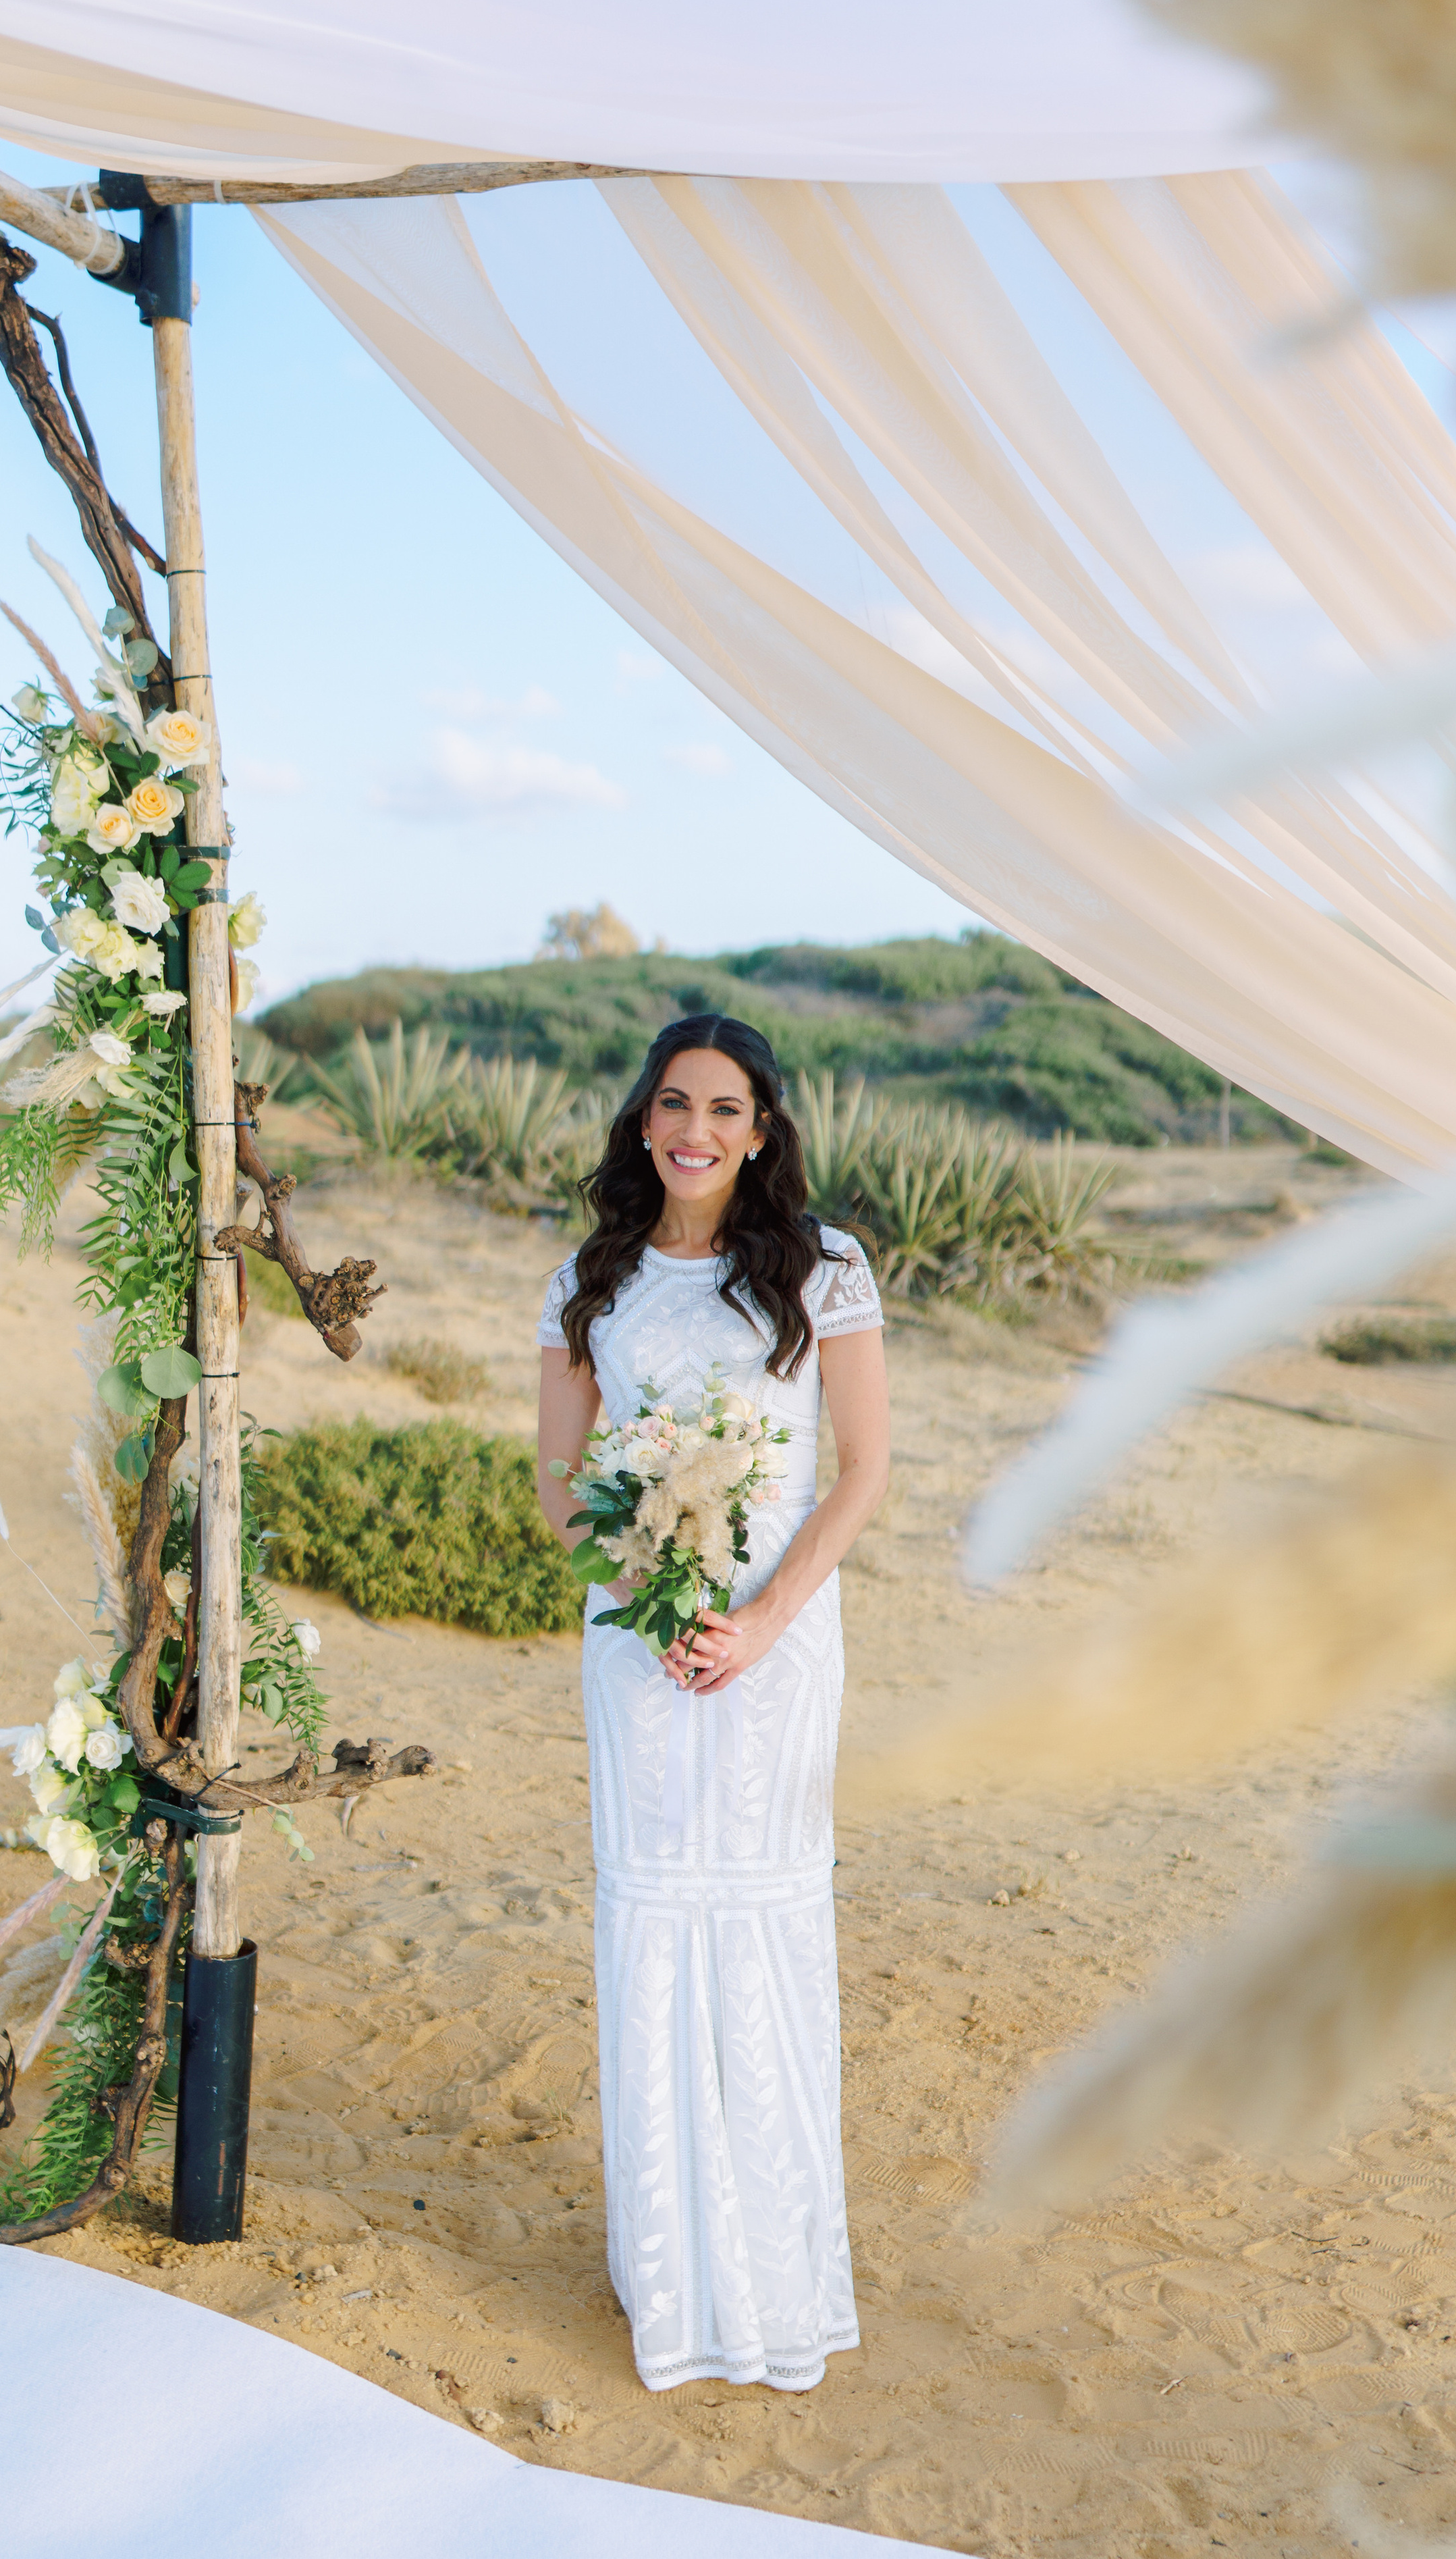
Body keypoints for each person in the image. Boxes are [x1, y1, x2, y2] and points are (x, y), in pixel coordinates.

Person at [536, 1012, 890, 2394]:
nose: (695, 1129)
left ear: (760, 1133)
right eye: (673, 1104)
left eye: (724, 1110)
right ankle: (670, 2279)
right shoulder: (588, 1281)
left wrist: (753, 1623)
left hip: (776, 1650)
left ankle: (778, 2274)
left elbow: (856, 1470)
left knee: (761, 1921)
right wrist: (640, 1589)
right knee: (653, 1924)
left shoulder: (825, 1271)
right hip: (635, 1652)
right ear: (643, 1122)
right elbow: (561, 1483)